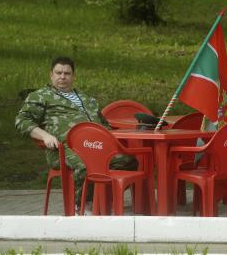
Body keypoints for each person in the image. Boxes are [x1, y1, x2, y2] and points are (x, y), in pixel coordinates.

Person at [15, 56, 137, 214]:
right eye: (58, 72)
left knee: (129, 161)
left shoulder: (87, 99)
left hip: (96, 147)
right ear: (51, 74)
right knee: (84, 166)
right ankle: (81, 206)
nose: (62, 77)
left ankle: (103, 200)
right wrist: (45, 136)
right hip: (64, 148)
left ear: (73, 76)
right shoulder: (40, 96)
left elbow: (104, 124)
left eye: (67, 73)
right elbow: (22, 121)